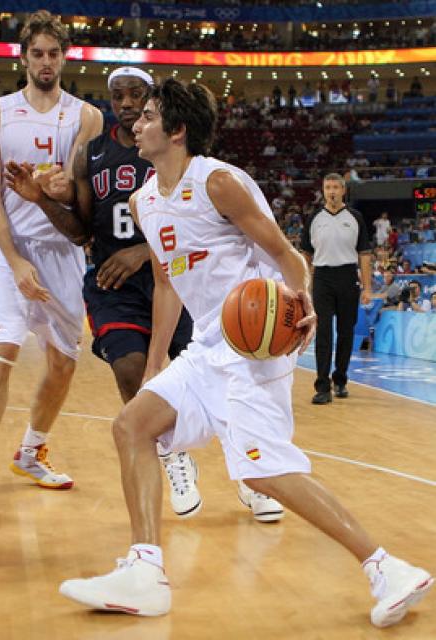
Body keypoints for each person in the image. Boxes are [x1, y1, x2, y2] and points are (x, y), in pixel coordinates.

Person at [58, 78, 432, 627]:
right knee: (132, 426)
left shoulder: (220, 183)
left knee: (263, 471)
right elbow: (166, 283)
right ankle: (145, 573)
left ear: (177, 131)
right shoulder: (143, 201)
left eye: (150, 116)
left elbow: (285, 253)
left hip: (256, 345)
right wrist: (157, 361)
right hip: (207, 344)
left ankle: (385, 568)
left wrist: (302, 299)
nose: (137, 123)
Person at [6, 67, 283, 523]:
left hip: (178, 277)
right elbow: (81, 231)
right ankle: (172, 454)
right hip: (114, 285)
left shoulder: (174, 153)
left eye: (137, 94)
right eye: (118, 95)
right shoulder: (92, 154)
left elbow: (188, 220)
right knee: (132, 370)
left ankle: (250, 473)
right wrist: (41, 200)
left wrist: (141, 252)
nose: (127, 103)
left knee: (225, 377)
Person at [0, 10, 103, 528]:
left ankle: (31, 451)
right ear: (23, 58)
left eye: (54, 53)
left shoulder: (87, 117)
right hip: (10, 247)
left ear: (65, 58)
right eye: (37, 53)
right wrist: (15, 259)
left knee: (64, 363)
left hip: (62, 249)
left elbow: (81, 200)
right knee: (3, 348)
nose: (46, 62)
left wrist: (61, 191)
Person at [300, 173, 372, 404]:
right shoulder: (314, 218)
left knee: (345, 331)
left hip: (348, 276)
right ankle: (322, 386)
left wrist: (367, 288)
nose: (331, 191)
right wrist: (304, 284)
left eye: (335, 187)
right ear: (323, 190)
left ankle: (340, 378)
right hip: (322, 277)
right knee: (323, 331)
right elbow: (305, 255)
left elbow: (364, 254)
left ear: (343, 190)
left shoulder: (355, 217)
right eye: (327, 187)